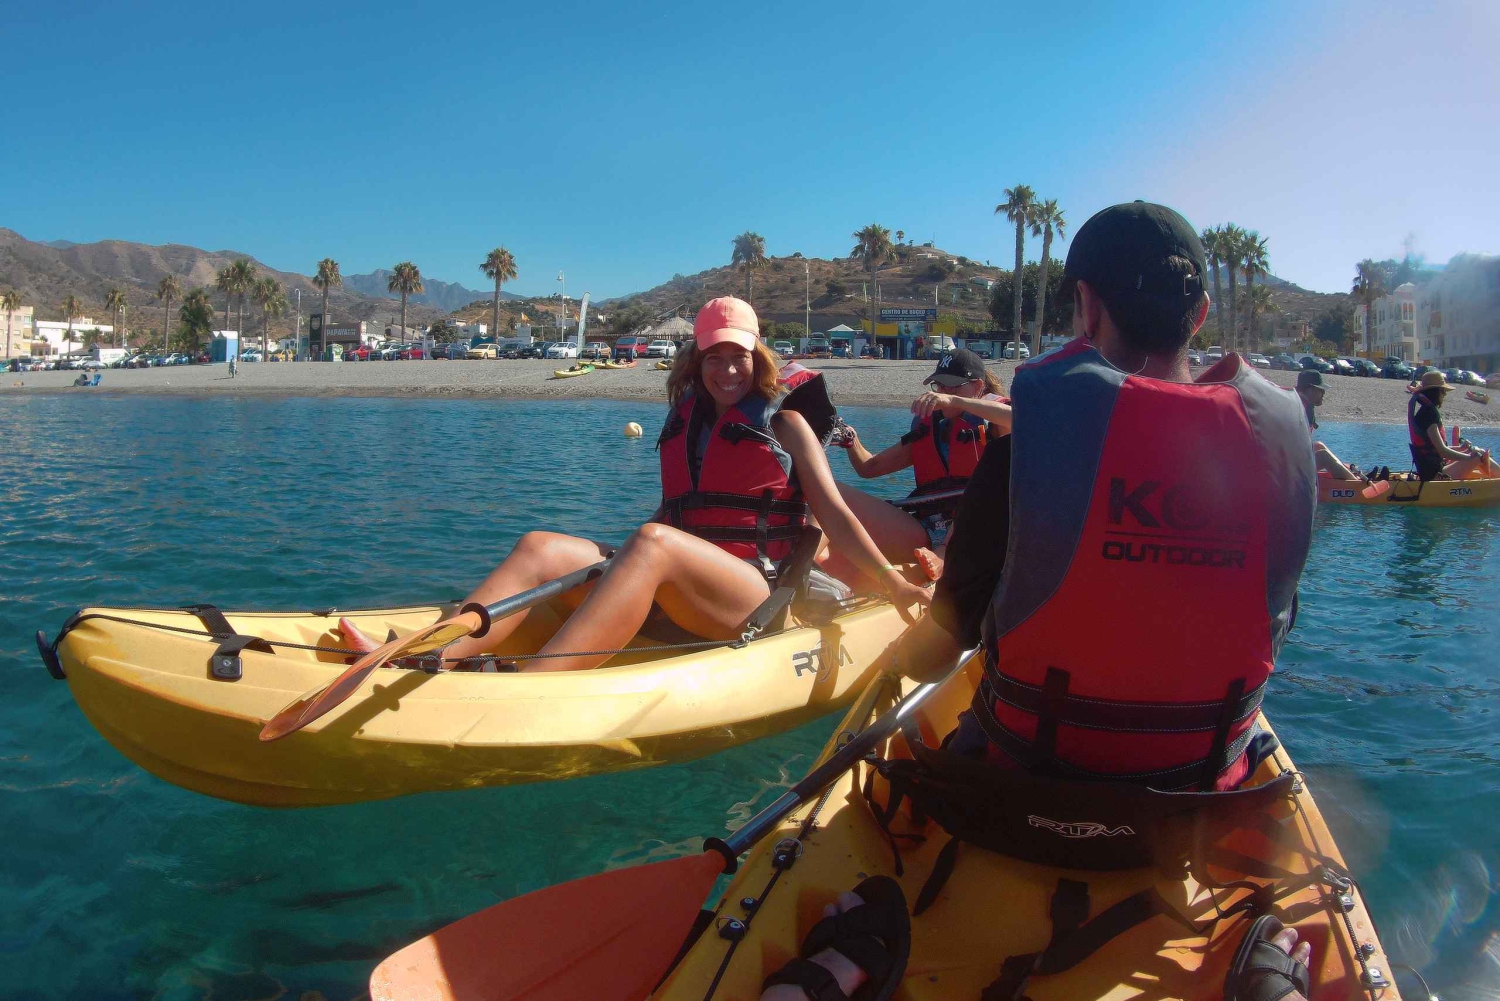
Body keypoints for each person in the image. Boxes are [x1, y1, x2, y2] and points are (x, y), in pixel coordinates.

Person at [757, 201, 1319, 1001]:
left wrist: (888, 671)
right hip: (1191, 808)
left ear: (1086, 307)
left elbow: (947, 639)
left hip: (1024, 788)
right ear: (1198, 313)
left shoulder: (1028, 446)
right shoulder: (1282, 448)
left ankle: (847, 957)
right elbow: (1273, 620)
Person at [340, 297, 930, 672]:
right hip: (681, 587)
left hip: (755, 597)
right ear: (695, 362)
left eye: (740, 358)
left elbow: (836, 514)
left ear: (759, 360)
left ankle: (529, 687)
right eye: (715, 357)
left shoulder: (787, 425)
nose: (728, 370)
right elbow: (678, 513)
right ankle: (424, 655)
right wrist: (619, 567)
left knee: (649, 543)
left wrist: (892, 585)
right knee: (541, 546)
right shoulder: (687, 425)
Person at [834, 348, 1012, 579]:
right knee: (829, 491)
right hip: (926, 529)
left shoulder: (996, 422)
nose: (943, 393)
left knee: (982, 491)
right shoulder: (929, 427)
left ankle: (943, 557)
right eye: (940, 386)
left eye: (953, 385)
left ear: (977, 387)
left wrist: (956, 400)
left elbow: (1016, 417)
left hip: (977, 530)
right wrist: (851, 440)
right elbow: (869, 468)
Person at [1408, 369, 1494, 480]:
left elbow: (1436, 449)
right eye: (1443, 391)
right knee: (1477, 457)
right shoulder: (1428, 415)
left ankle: (1494, 479)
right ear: (1436, 392)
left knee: (1478, 452)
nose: (1444, 395)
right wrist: (1469, 457)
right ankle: (1494, 484)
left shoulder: (1425, 412)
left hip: (1434, 470)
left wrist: (1461, 448)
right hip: (1435, 476)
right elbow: (1443, 451)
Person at [1295, 370, 1367, 481]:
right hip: (1289, 470)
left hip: (1289, 462)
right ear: (1309, 390)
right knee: (1324, 456)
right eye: (1320, 390)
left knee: (1319, 445)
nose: (1323, 393)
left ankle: (1350, 474)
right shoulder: (1304, 408)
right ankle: (1355, 486)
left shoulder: (1296, 402)